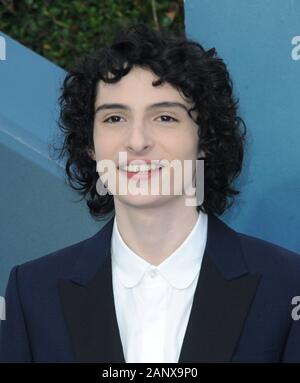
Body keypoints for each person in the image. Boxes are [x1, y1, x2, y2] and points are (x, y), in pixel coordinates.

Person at [1, 23, 300, 363]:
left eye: (165, 117)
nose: (137, 141)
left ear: (205, 140)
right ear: (90, 145)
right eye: (114, 118)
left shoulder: (287, 285)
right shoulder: (33, 291)